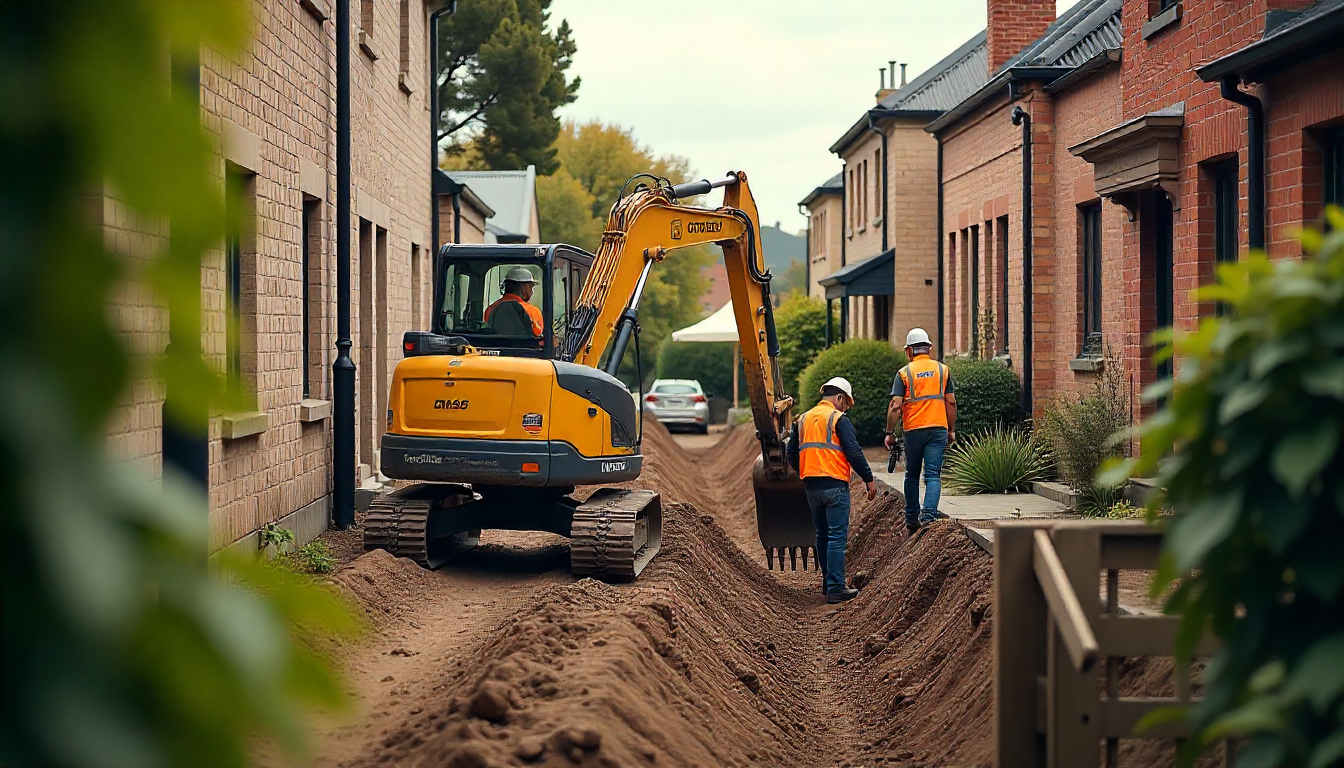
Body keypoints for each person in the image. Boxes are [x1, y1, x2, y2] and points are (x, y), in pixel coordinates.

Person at [787, 377, 877, 603]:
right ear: (839, 398)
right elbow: (854, 452)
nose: (846, 408)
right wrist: (868, 478)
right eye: (846, 403)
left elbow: (791, 454)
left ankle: (828, 583)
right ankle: (836, 588)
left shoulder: (803, 419)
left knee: (822, 535)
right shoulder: (838, 419)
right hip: (835, 485)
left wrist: (805, 470)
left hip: (811, 486)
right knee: (836, 537)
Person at [885, 328, 957, 536]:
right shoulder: (943, 371)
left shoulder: (904, 373)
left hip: (914, 430)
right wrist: (951, 429)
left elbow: (895, 406)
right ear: (929, 348)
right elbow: (950, 403)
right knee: (933, 475)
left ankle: (911, 518)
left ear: (909, 351)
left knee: (912, 474)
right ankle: (929, 516)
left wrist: (889, 432)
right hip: (938, 429)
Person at [484, 266, 544, 336]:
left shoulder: (490, 309)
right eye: (530, 286)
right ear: (524, 287)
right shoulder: (533, 312)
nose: (531, 290)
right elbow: (539, 338)